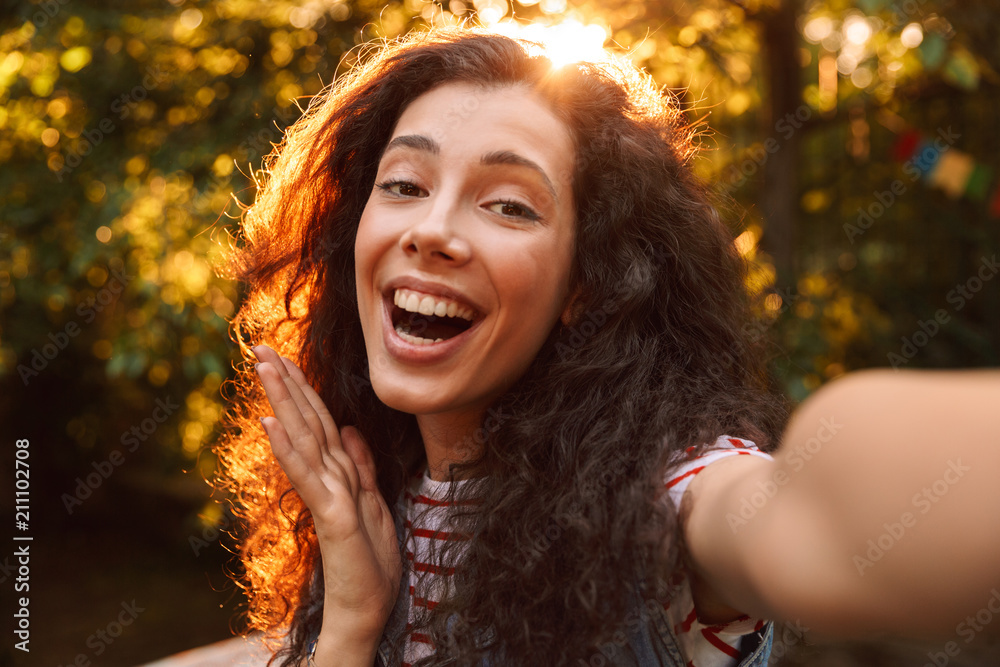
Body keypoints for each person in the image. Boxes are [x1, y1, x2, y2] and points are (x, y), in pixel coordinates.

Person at [214, 27, 1000, 667]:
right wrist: (350, 625)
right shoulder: (372, 499)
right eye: (405, 185)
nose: (430, 230)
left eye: (510, 205)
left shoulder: (665, 496)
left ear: (585, 284)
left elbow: (806, 526)